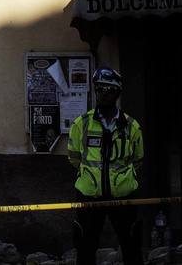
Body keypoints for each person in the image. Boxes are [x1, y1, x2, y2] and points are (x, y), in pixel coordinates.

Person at [67, 68, 143, 265]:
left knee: (132, 246)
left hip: (123, 196)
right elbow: (74, 157)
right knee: (85, 247)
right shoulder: (81, 124)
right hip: (90, 195)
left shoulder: (132, 126)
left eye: (109, 90)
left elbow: (138, 159)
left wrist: (119, 180)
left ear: (117, 93)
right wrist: (92, 178)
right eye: (99, 89)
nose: (103, 94)